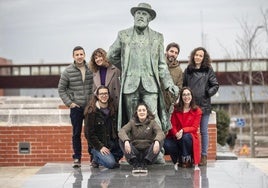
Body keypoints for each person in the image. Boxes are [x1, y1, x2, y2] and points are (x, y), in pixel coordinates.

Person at [107, 3, 179, 133]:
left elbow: (161, 65)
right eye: (138, 13)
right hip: (130, 84)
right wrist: (126, 67)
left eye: (144, 14)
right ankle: (133, 149)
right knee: (132, 119)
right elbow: (111, 55)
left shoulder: (157, 37)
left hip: (150, 84)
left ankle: (157, 149)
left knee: (153, 117)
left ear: (149, 18)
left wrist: (169, 84)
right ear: (134, 16)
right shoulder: (123, 35)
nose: (140, 16)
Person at [183, 47, 219, 166]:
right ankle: (190, 156)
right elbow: (184, 86)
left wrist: (207, 93)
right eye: (196, 55)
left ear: (204, 58)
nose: (198, 57)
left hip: (204, 106)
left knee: (203, 131)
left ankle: (203, 156)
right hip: (190, 105)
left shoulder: (208, 69)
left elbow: (215, 85)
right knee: (190, 132)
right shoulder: (188, 70)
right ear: (193, 56)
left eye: (200, 55)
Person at [58, 46, 93, 168]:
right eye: (77, 54)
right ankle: (77, 158)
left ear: (84, 55)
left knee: (90, 133)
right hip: (76, 107)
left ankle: (93, 158)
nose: (79, 56)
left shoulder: (91, 68)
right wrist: (70, 103)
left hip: (90, 107)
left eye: (81, 54)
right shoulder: (67, 71)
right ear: (73, 56)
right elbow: (61, 89)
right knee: (76, 133)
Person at [118, 102, 165, 173]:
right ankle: (135, 163)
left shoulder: (152, 123)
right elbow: (122, 131)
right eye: (139, 110)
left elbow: (160, 132)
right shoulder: (132, 122)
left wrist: (157, 141)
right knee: (121, 139)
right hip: (134, 153)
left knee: (160, 140)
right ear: (136, 112)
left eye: (143, 110)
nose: (142, 112)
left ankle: (145, 163)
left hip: (148, 153)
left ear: (147, 112)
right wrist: (126, 140)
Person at [84, 85, 123, 169]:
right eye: (101, 94)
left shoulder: (113, 109)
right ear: (97, 96)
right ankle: (96, 158)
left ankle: (109, 157)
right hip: (98, 146)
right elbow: (88, 134)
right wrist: (100, 147)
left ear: (108, 95)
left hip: (111, 144)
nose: (104, 96)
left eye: (106, 93)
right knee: (111, 164)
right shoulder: (91, 111)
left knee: (126, 147)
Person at [164, 87, 202, 170]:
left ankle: (186, 160)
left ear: (191, 96)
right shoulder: (176, 109)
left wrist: (183, 130)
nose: (186, 97)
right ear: (181, 97)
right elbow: (172, 124)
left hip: (189, 137)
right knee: (166, 143)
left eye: (188, 94)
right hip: (177, 135)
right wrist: (176, 133)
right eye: (184, 95)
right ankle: (177, 160)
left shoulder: (197, 110)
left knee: (186, 137)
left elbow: (194, 128)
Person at [162, 42, 183, 112]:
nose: (173, 54)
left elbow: (179, 88)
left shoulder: (179, 70)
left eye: (176, 53)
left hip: (167, 104)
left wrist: (172, 100)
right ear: (166, 51)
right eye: (171, 51)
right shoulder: (158, 63)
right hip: (155, 101)